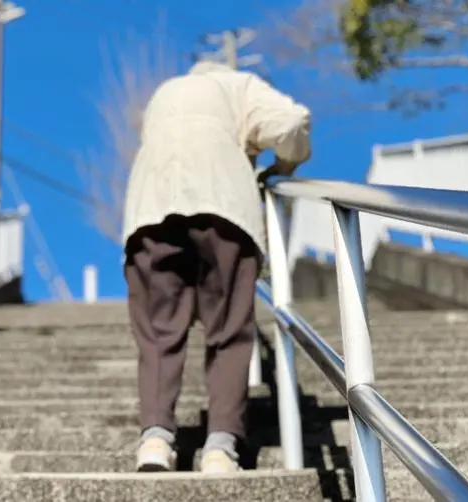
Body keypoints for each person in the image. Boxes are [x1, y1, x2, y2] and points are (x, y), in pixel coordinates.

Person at [122, 60, 312, 474]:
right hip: (223, 204)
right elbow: (291, 121)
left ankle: (155, 440)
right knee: (228, 329)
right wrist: (284, 166)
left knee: (158, 333)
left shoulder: (164, 92)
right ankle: (220, 448)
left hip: (150, 208)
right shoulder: (239, 86)